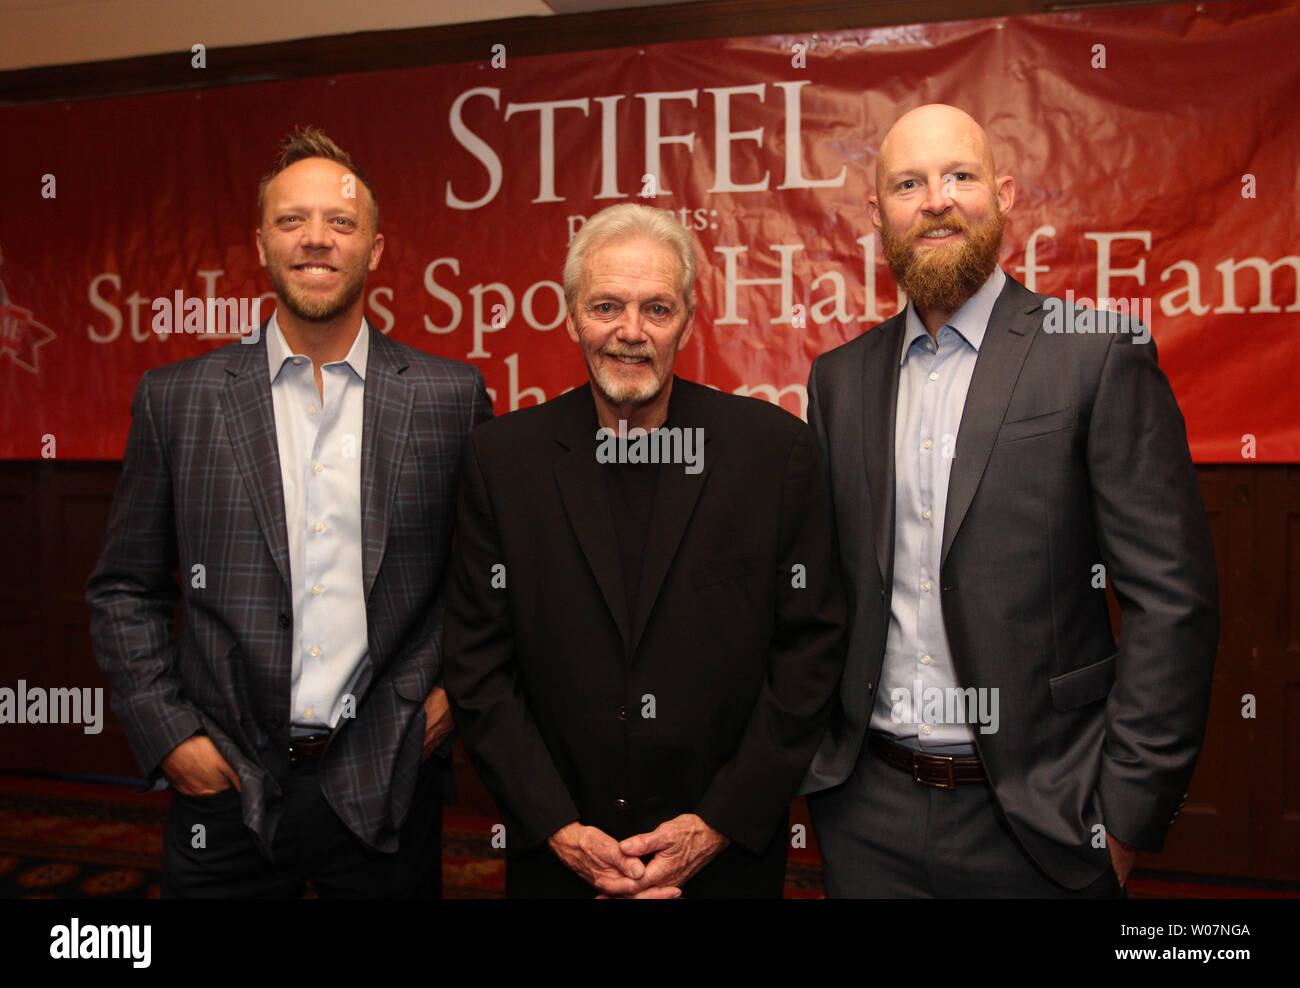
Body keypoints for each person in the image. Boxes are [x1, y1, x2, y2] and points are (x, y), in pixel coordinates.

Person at [801, 104, 1218, 897]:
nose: (936, 201)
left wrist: (1124, 819)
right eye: (908, 183)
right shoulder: (839, 379)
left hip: (1043, 820)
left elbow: (1174, 603)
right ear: (877, 212)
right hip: (867, 817)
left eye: (959, 176)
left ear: (1004, 193)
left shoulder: (1094, 355)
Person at [86, 126, 492, 897]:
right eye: (292, 221)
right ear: (261, 244)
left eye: (341, 223)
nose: (316, 240)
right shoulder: (177, 399)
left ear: (374, 249)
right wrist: (171, 737)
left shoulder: (450, 399)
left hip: (387, 779)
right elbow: (123, 589)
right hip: (224, 782)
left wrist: (448, 705)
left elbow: (484, 581)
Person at [443, 203, 845, 898]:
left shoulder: (773, 453)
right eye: (606, 306)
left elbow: (811, 654)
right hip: (559, 865)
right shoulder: (501, 462)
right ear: (571, 316)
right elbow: (478, 665)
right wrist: (560, 828)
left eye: (656, 309)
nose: (630, 333)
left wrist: (717, 822)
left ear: (688, 319)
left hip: (725, 865)